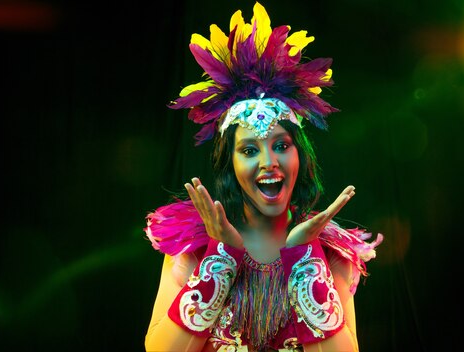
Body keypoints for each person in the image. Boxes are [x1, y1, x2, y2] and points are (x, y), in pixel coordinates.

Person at [143, 2, 383, 351]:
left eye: (281, 145)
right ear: (230, 164)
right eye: (250, 150)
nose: (269, 162)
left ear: (300, 155)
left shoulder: (331, 254)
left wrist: (303, 257)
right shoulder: (191, 246)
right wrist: (221, 255)